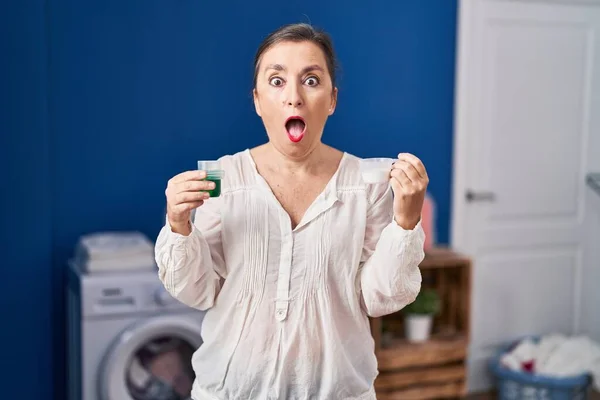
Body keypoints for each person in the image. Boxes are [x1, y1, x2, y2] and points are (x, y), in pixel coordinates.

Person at [155, 22, 428, 400]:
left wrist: (406, 220)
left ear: (332, 99)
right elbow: (199, 292)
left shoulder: (367, 183)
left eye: (311, 80)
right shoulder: (221, 178)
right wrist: (178, 224)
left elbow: (378, 298)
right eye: (277, 80)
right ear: (257, 100)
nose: (294, 97)